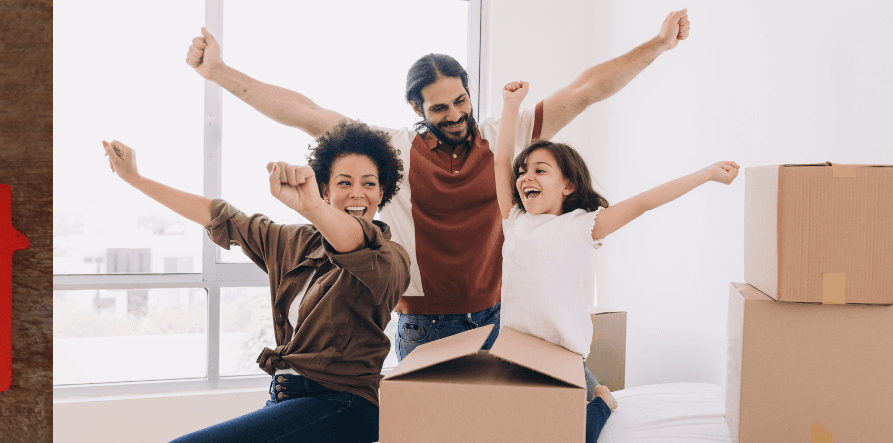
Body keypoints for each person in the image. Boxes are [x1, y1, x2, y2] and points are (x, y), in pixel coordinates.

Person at [184, 10, 692, 360]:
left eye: (461, 101)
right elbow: (307, 114)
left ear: (470, 93)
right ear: (416, 109)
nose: (455, 116)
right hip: (423, 328)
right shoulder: (396, 150)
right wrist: (220, 72)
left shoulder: (502, 140)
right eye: (439, 108)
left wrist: (659, 44)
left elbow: (584, 91)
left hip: (499, 317)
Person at [108, 121, 409, 443]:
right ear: (327, 187)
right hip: (287, 399)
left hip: (343, 406)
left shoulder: (390, 258)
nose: (357, 193)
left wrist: (312, 205)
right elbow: (221, 216)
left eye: (369, 183)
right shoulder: (294, 242)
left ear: (383, 192)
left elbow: (354, 243)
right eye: (344, 182)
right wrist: (135, 178)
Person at [493, 80, 739, 443]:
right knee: (507, 436)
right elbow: (499, 160)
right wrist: (511, 107)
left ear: (569, 185)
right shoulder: (514, 220)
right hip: (518, 355)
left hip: (562, 357)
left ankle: (602, 399)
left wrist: (706, 173)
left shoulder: (582, 225)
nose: (526, 176)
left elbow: (644, 202)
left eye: (541, 170)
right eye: (523, 170)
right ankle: (592, 386)